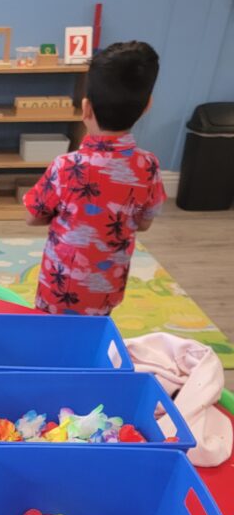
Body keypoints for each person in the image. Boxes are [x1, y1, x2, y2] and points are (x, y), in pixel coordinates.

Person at [24, 40, 167, 315]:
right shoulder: (149, 165)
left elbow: (32, 216)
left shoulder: (67, 166)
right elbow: (144, 222)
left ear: (86, 108)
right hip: (108, 287)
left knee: (49, 332)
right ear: (147, 106)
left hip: (58, 286)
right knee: (95, 330)